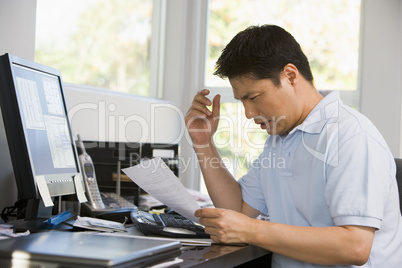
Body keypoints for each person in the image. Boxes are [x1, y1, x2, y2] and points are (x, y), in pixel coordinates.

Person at [185, 25, 402, 267]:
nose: (248, 113)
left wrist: (252, 231)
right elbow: (238, 209)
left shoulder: (350, 136)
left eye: (254, 97)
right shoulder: (280, 139)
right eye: (241, 101)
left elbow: (356, 246)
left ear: (290, 76)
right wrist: (204, 144)